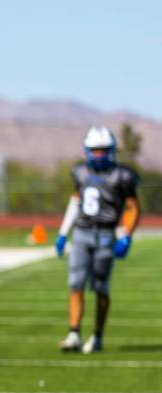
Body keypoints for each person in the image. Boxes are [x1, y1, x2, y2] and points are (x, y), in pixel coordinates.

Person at [55, 126, 140, 353]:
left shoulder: (123, 175)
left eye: (103, 150)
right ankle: (74, 334)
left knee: (101, 287)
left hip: (105, 234)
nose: (99, 154)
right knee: (75, 283)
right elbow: (75, 202)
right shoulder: (80, 172)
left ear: (111, 150)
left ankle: (98, 336)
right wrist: (63, 232)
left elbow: (133, 207)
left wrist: (127, 236)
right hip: (82, 232)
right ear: (87, 150)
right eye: (95, 150)